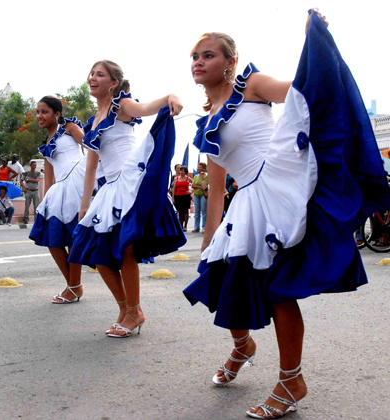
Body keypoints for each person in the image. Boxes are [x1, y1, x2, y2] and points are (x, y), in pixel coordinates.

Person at [182, 11, 390, 419]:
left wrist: (316, 44)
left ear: (229, 61)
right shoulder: (207, 120)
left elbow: (304, 93)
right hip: (247, 205)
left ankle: (290, 379)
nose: (198, 62)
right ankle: (243, 346)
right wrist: (210, 235)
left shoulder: (252, 86)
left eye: (208, 55)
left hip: (279, 189)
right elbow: (221, 182)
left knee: (279, 290)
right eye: (194, 56)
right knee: (220, 282)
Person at [68, 60, 186, 337]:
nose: (93, 78)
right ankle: (126, 308)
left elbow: (149, 108)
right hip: (108, 189)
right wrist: (85, 203)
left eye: (100, 74)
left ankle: (134, 310)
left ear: (113, 83)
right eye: (92, 74)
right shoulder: (94, 121)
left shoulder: (121, 106)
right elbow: (91, 167)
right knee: (98, 254)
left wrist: (172, 97)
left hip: (131, 181)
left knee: (127, 250)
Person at [29, 96, 86, 304]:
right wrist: (44, 203)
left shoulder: (69, 127)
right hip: (60, 189)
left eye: (44, 112)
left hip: (78, 180)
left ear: (57, 114)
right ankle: (74, 285)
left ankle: (73, 287)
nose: (39, 116)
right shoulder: (46, 144)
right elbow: (50, 176)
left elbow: (90, 144)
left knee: (74, 239)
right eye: (38, 112)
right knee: (53, 240)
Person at [172, 166, 192, 231]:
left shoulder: (188, 178)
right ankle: (180, 225)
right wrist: (173, 197)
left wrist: (191, 191)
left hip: (185, 196)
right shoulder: (176, 178)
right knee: (180, 211)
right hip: (178, 196)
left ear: (185, 172)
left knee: (186, 210)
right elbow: (174, 188)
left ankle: (185, 225)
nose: (181, 172)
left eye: (183, 171)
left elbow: (195, 184)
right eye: (181, 170)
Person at [191, 162, 208, 233]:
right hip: (196, 194)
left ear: (204, 168)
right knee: (197, 211)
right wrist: (200, 187)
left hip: (203, 195)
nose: (198, 168)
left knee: (204, 210)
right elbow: (193, 185)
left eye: (200, 167)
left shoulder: (207, 176)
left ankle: (204, 227)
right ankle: (196, 227)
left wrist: (203, 178)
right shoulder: (196, 176)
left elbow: (206, 186)